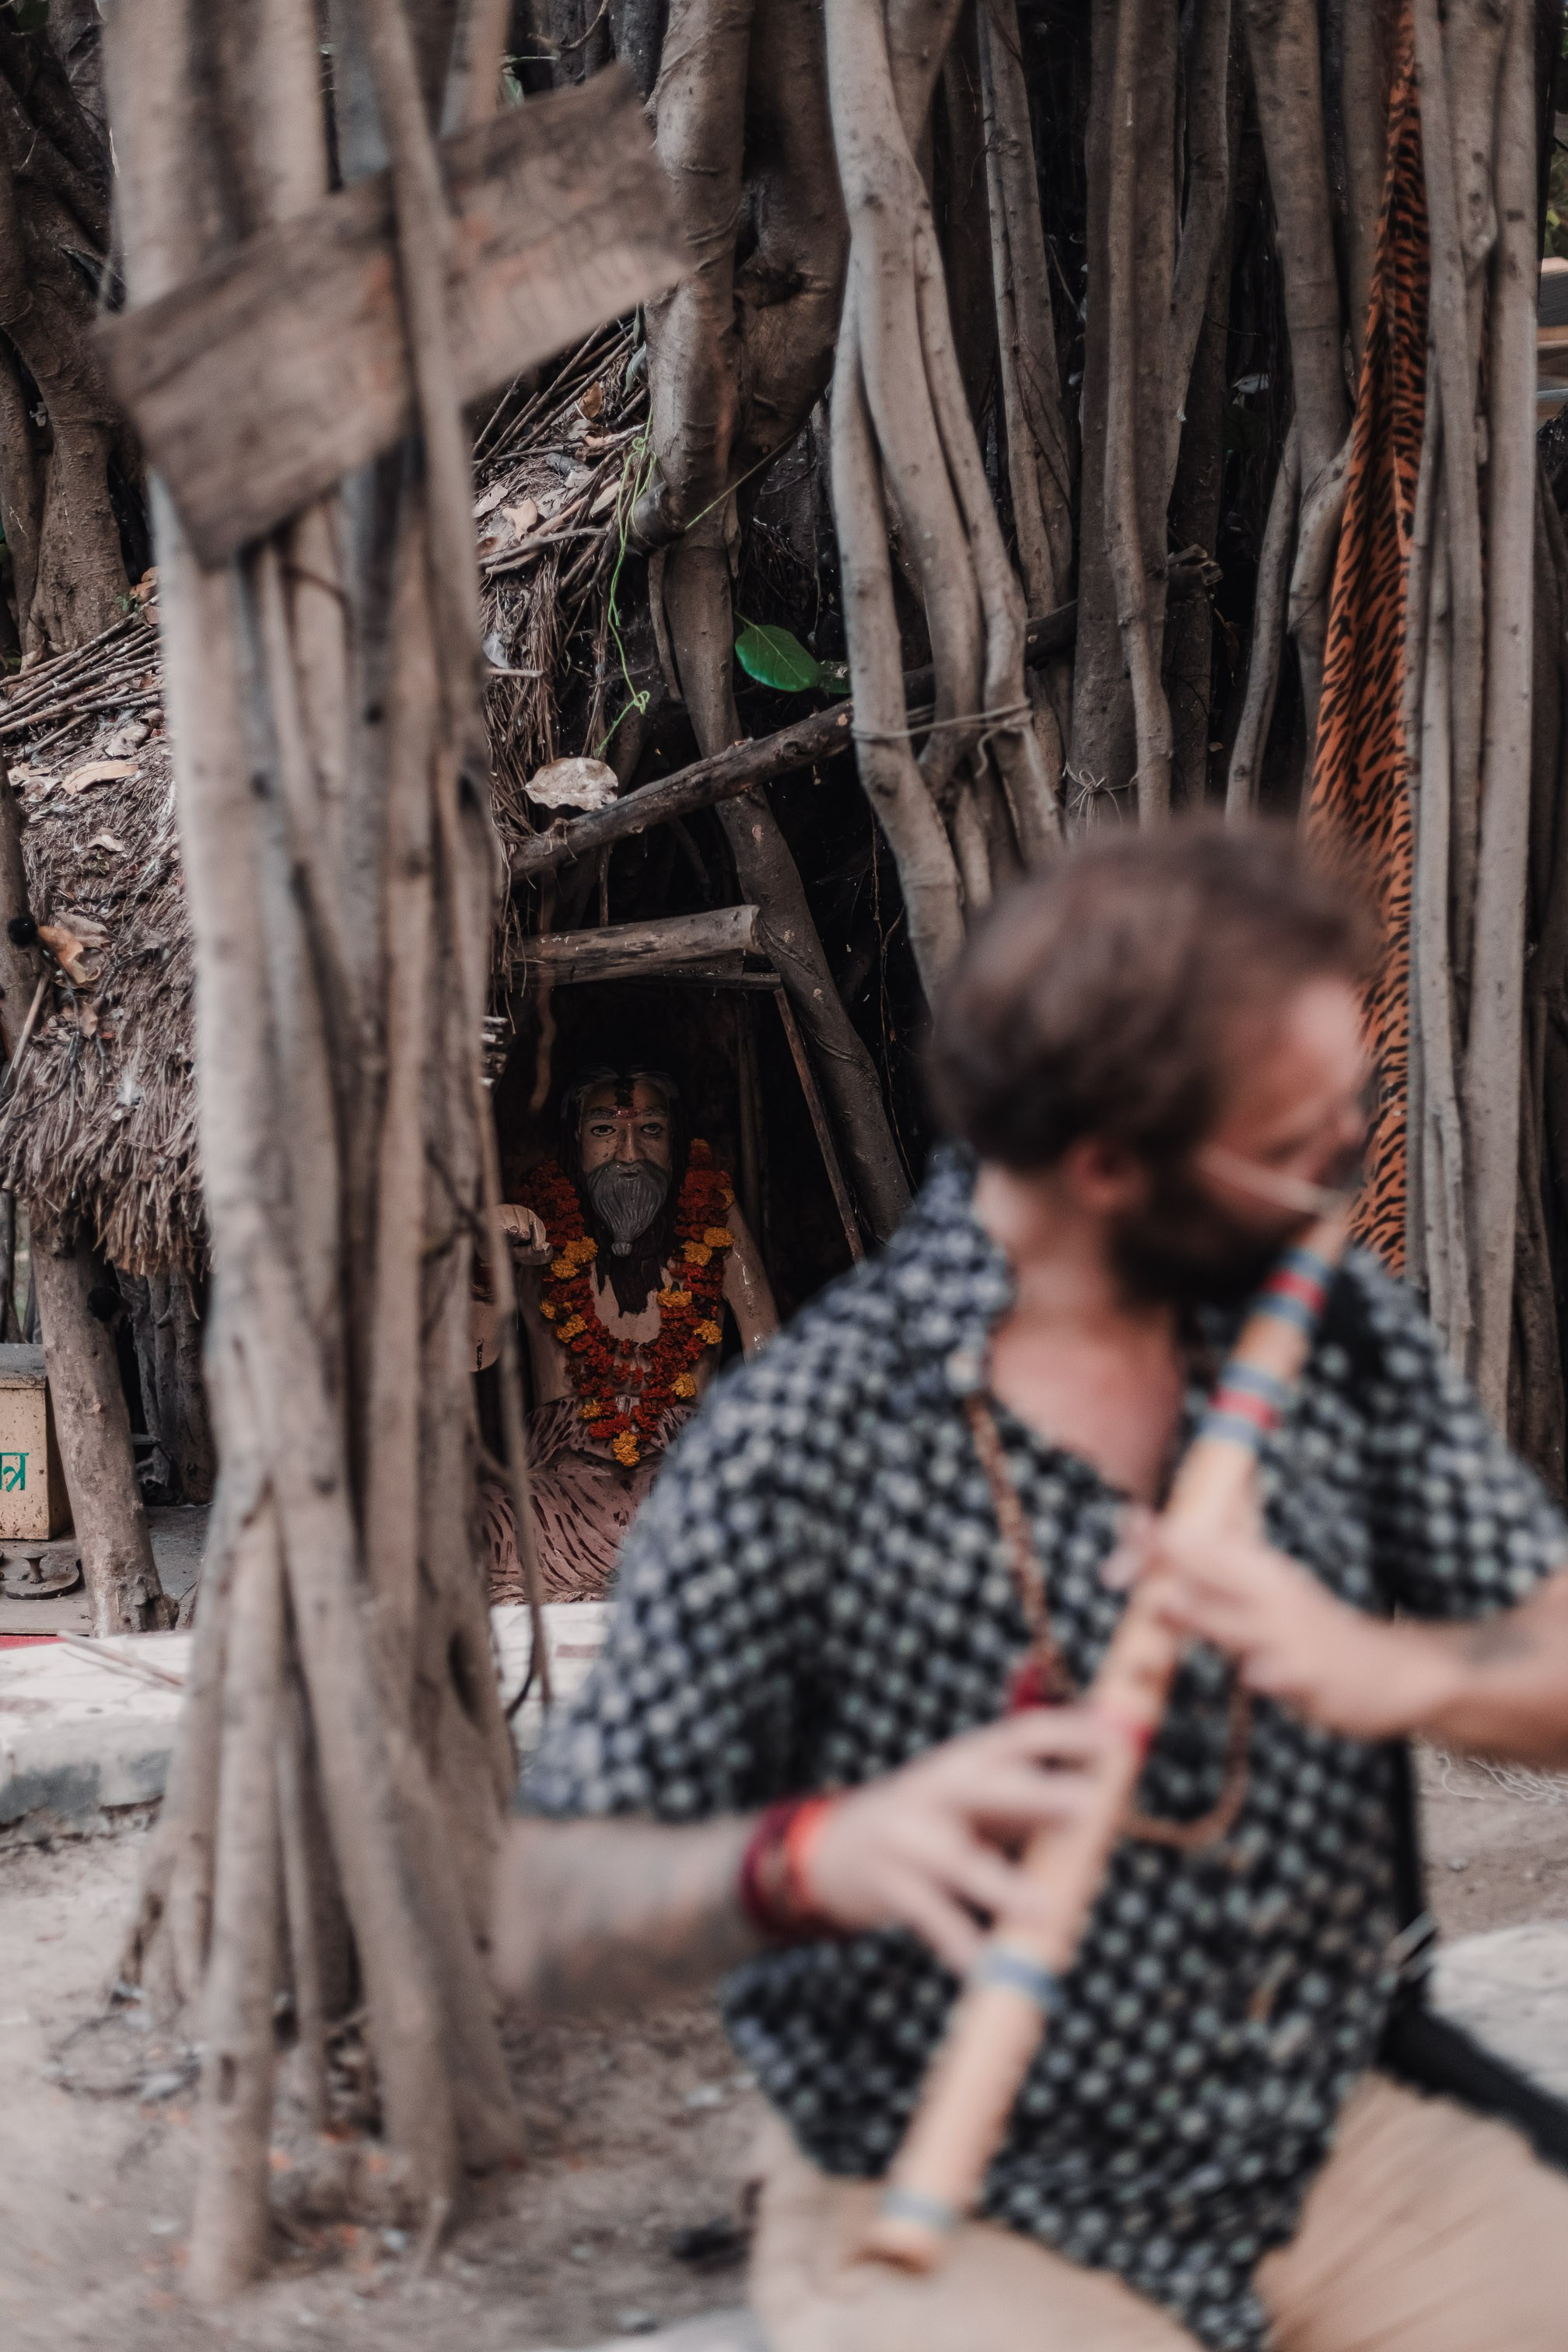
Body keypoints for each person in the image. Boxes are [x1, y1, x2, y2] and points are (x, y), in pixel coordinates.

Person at [492, 825, 1568, 2352]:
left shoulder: (1331, 1336)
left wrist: (1407, 1676)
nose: (1344, 1187)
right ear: (1108, 1167)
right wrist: (819, 1856)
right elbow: (553, 1912)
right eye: (1300, 1152)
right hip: (956, 2176)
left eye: (1357, 1123)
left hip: (1330, 2126)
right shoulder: (806, 1437)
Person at [478, 1066, 776, 1601]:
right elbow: (473, 1355)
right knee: (479, 1525)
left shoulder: (713, 1213)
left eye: (651, 1130)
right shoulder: (533, 1222)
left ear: (675, 1139)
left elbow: (770, 1361)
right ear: (576, 1137)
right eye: (605, 1131)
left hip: (687, 1481)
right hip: (557, 1485)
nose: (629, 1155)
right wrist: (484, 1255)